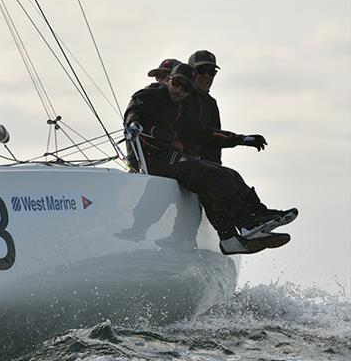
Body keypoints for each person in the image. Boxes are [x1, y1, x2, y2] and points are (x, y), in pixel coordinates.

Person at [124, 63, 293, 255]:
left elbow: (203, 133)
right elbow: (134, 111)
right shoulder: (151, 94)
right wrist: (134, 123)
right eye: (177, 83)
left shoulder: (181, 108)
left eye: (186, 88)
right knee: (211, 175)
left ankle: (254, 218)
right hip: (152, 158)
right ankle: (246, 224)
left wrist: (241, 139)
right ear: (170, 80)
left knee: (229, 174)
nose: (180, 90)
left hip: (171, 157)